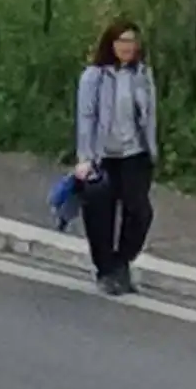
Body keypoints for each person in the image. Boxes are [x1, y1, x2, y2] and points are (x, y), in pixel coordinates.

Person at [75, 19, 157, 296]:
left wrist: (151, 149)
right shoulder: (94, 77)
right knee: (101, 214)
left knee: (140, 212)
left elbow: (149, 116)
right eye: (122, 41)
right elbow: (86, 118)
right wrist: (85, 158)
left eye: (132, 41)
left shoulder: (142, 75)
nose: (127, 47)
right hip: (102, 156)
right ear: (110, 44)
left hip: (134, 153)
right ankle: (106, 269)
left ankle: (121, 262)